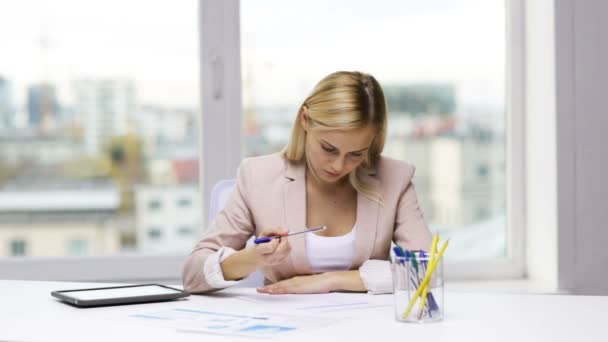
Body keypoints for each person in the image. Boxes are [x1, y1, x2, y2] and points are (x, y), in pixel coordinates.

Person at [182, 71, 432, 294]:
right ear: (305, 120)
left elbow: (425, 271)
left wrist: (332, 280)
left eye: (356, 154)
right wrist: (253, 258)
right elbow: (192, 276)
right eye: (328, 148)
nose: (338, 166)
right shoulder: (257, 176)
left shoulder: (395, 178)